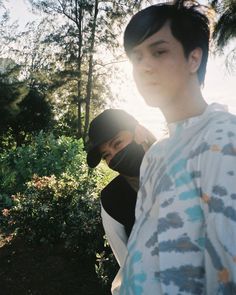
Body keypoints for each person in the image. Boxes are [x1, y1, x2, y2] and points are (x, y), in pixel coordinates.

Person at [118, 0, 236, 294]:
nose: (143, 67)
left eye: (159, 52)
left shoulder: (223, 138)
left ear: (193, 59)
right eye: (136, 58)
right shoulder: (156, 154)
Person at [86, 109, 156, 294]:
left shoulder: (183, 169)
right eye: (106, 155)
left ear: (138, 133)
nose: (114, 157)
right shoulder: (112, 200)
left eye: (117, 143)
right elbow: (127, 261)